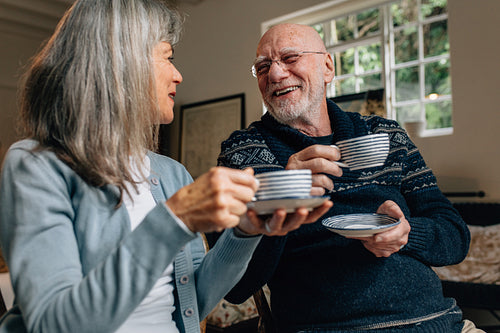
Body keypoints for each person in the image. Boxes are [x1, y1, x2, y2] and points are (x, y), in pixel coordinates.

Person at [0, 3, 332, 333]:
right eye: (168, 56)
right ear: (119, 63)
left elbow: (194, 303)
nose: (178, 74)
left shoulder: (170, 174)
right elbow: (53, 324)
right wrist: (175, 218)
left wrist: (245, 231)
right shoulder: (35, 166)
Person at [217, 23, 483, 333]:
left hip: (437, 324)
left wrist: (407, 233)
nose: (275, 74)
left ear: (328, 67)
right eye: (263, 66)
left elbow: (455, 236)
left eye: (290, 58)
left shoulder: (385, 134)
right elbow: (235, 285)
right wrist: (283, 193)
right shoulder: (247, 149)